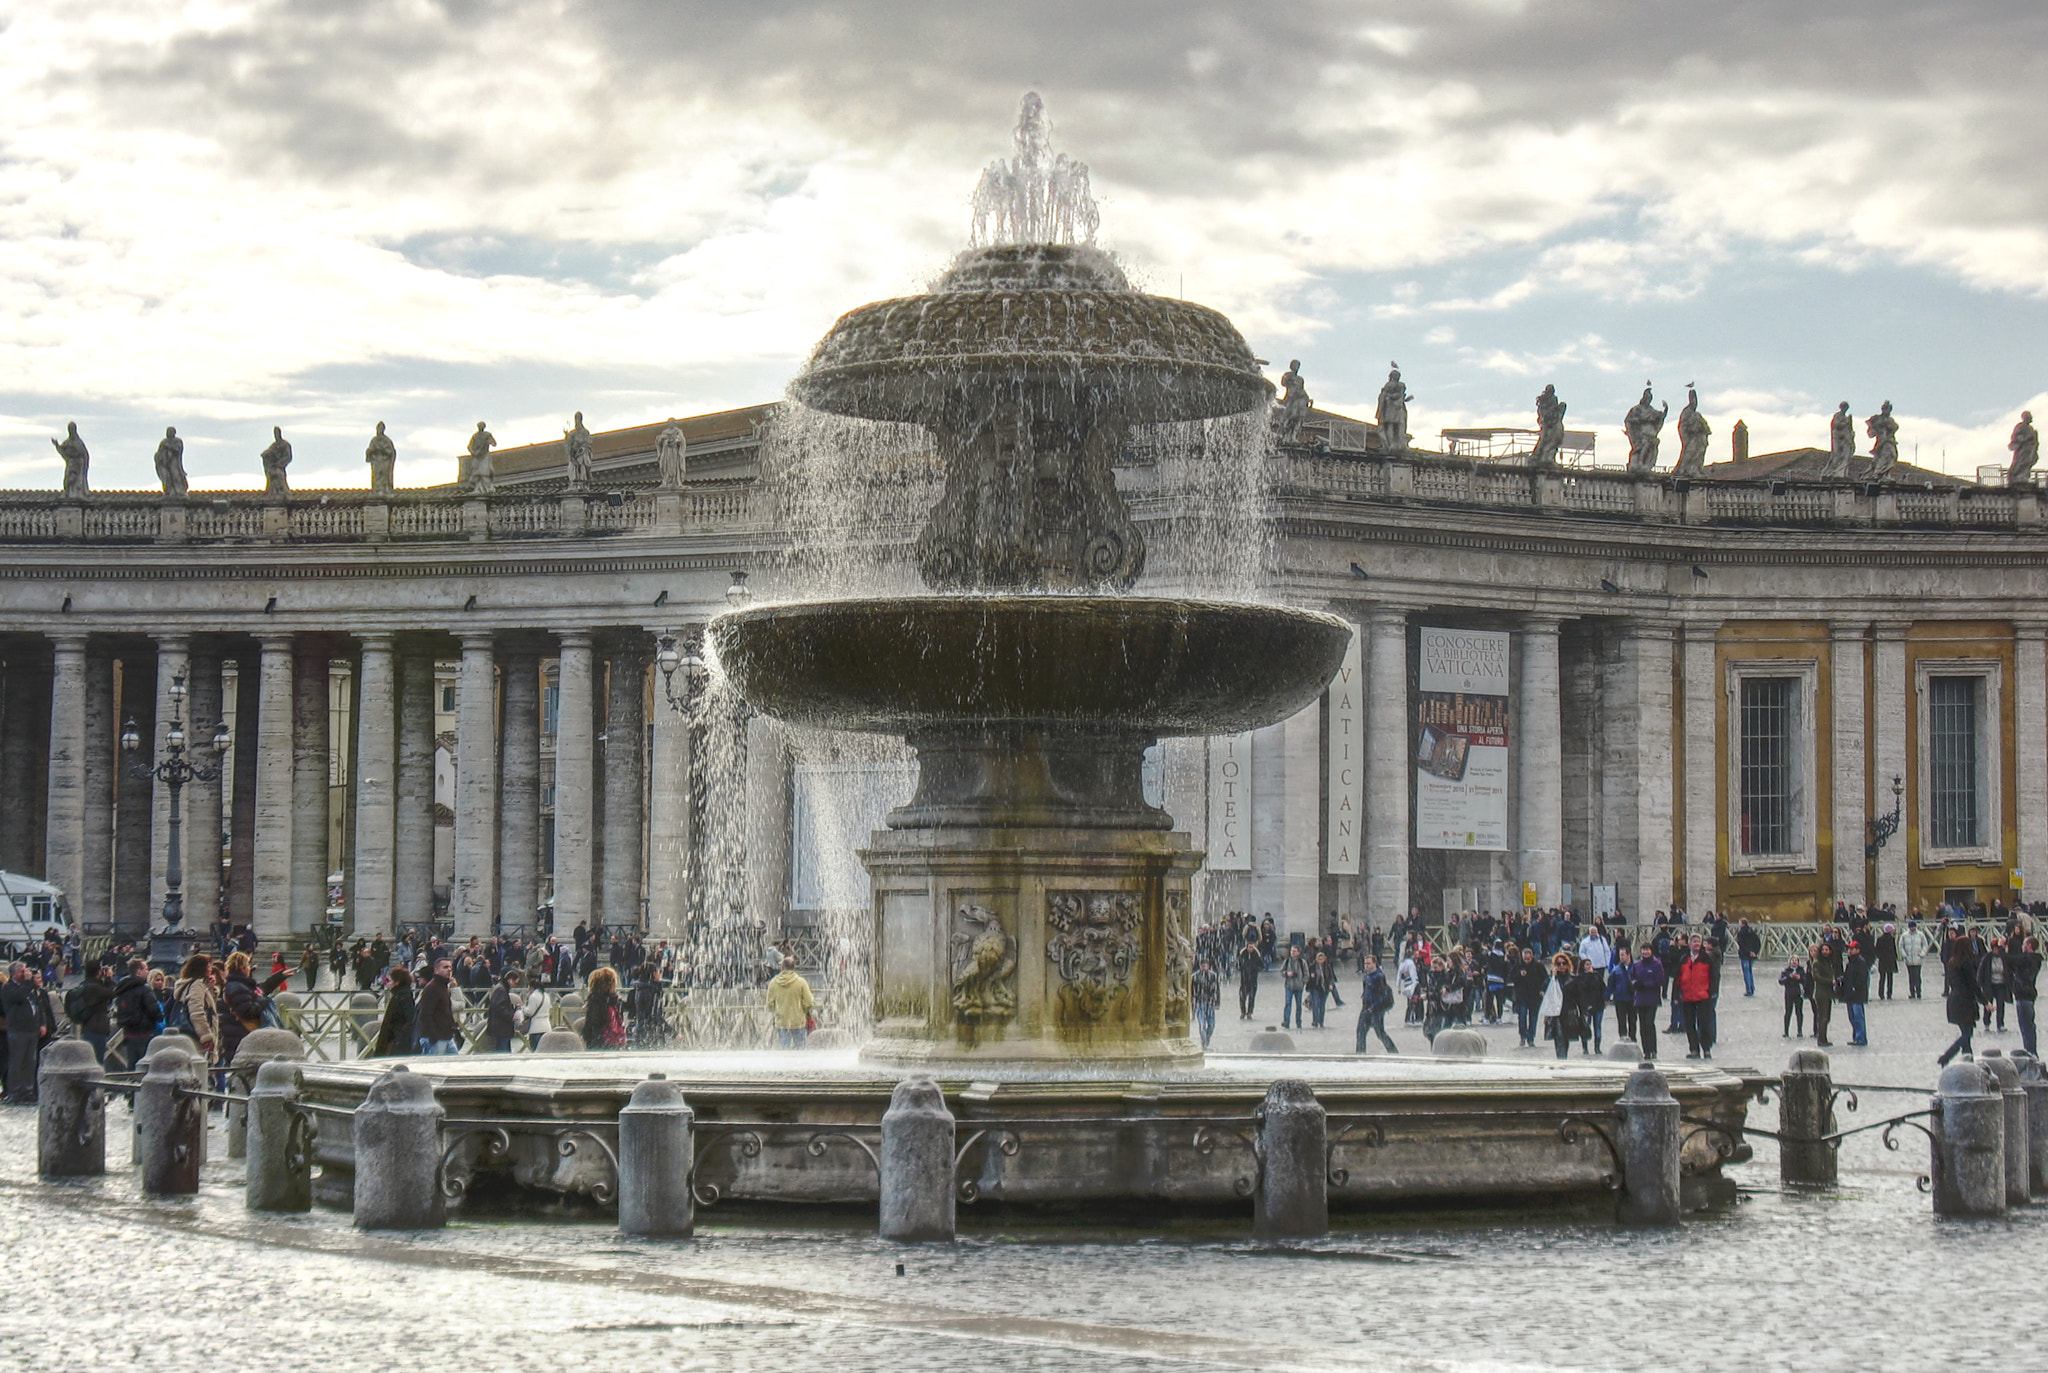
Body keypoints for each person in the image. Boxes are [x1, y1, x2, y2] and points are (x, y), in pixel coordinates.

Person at [111, 957, 161, 1070]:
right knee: (145, 1064)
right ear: (139, 971)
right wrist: (157, 1018)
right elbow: (153, 1010)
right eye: (146, 969)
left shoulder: (122, 988)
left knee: (131, 1063)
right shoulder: (144, 989)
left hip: (128, 1031)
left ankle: (131, 1085)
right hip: (144, 1032)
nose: (147, 972)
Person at [171, 953, 221, 1067]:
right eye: (208, 966)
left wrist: (210, 986)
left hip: (191, 1035)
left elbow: (209, 1004)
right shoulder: (197, 985)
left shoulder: (195, 984)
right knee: (199, 1069)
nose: (210, 969)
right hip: (196, 1037)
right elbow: (196, 1012)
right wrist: (206, 1036)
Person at [1938, 945, 1983, 1066]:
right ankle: (1946, 1056)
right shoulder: (1966, 964)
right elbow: (1973, 984)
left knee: (1966, 1035)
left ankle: (1968, 1060)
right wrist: (1984, 1001)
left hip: (1954, 1001)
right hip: (1965, 1002)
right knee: (1967, 1034)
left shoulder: (1952, 963)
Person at [1, 963, 40, 1102]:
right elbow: (19, 997)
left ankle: (27, 1091)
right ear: (15, 974)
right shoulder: (8, 988)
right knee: (17, 1062)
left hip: (30, 1029)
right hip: (17, 1030)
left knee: (30, 1062)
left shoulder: (28, 987)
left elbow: (36, 1004)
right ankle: (15, 1092)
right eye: (23, 971)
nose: (26, 974)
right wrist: (29, 982)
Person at [64, 959, 116, 1065]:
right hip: (96, 1029)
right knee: (97, 1062)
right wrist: (109, 978)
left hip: (88, 1027)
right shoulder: (94, 988)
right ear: (98, 972)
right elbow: (112, 992)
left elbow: (105, 997)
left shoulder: (87, 986)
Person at [1675, 935, 1717, 1059]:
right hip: (1687, 997)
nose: (1696, 944)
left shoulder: (1707, 959)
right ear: (1689, 944)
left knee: (1704, 1024)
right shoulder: (1684, 959)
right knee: (1689, 1025)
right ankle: (1694, 1049)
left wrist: (1711, 992)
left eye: (1698, 942)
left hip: (1703, 996)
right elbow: (1677, 977)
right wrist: (1676, 995)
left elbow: (1714, 977)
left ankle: (1706, 1048)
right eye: (1694, 942)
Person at [763, 957, 812, 1049]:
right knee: (800, 1050)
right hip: (798, 1021)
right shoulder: (801, 982)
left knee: (785, 1051)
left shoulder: (773, 983)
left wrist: (778, 1010)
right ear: (794, 968)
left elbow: (769, 1004)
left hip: (782, 1021)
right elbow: (809, 1002)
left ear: (782, 967)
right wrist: (803, 1010)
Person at [415, 958, 460, 1055]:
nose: (449, 970)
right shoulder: (432, 988)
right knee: (433, 1067)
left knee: (454, 1065)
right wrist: (433, 1035)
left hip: (446, 1036)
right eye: (445, 967)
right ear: (436, 970)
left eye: (450, 968)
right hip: (436, 1038)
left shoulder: (443, 987)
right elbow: (425, 1014)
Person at [1355, 955, 1398, 1054]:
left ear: (1375, 964)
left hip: (1376, 1009)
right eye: (1365, 963)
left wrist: (1374, 1006)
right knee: (1360, 1031)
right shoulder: (1366, 976)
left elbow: (1382, 994)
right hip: (1366, 1007)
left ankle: (1393, 1051)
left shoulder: (1379, 976)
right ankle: (1360, 1052)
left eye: (1369, 963)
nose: (1366, 966)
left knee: (1380, 1032)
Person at [1630, 944, 1666, 1060]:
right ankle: (1646, 1050)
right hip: (1640, 998)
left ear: (1651, 951)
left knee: (1649, 1023)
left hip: (1652, 998)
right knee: (1642, 1025)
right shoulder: (1637, 964)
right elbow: (1631, 977)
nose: (1645, 952)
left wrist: (1646, 984)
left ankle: (1653, 1049)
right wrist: (1635, 983)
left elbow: (1660, 980)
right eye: (1643, 950)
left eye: (1647, 950)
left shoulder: (1657, 964)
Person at [370, 967, 417, 1056]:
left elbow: (409, 1019)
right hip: (395, 1039)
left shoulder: (403, 996)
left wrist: (398, 1038)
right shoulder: (399, 995)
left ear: (397, 982)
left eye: (390, 981)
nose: (388, 983)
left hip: (397, 1041)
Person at [1539, 953, 1577, 1059]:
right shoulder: (1551, 979)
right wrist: (1553, 977)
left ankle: (1563, 1057)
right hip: (1555, 1012)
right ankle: (1561, 1058)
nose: (1561, 966)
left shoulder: (1573, 979)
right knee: (1558, 1037)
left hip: (1568, 1011)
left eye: (1563, 963)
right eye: (1558, 964)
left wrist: (1584, 1012)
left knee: (1566, 1038)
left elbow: (1579, 996)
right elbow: (1544, 990)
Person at [1510, 945, 1546, 1048]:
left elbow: (1545, 979)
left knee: (1533, 1018)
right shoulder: (1518, 965)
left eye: (1528, 959)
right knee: (1521, 1016)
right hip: (1521, 996)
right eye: (1525, 958)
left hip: (1534, 995)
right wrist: (1519, 974)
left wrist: (1542, 989)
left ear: (1532, 956)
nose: (1526, 960)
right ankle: (1522, 1036)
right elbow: (1511, 977)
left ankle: (1531, 1038)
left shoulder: (1538, 965)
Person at [1839, 939, 1871, 1047]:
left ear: (1858, 950)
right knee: (1852, 1017)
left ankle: (1860, 1038)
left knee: (1858, 1017)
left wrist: (1855, 987)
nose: (1850, 951)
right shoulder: (1850, 963)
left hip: (1857, 994)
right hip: (1850, 994)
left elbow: (1862, 978)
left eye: (1852, 949)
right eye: (1849, 949)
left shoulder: (1861, 962)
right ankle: (1856, 1037)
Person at [2013, 936, 2042, 1057]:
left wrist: (2002, 948)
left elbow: (2011, 960)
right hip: (2027, 995)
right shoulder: (2034, 959)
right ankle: (2031, 1052)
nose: (2022, 946)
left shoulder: (2029, 959)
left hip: (2024, 995)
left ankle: (2031, 1053)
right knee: (2027, 1026)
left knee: (2026, 1027)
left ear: (2029, 945)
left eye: (2024, 944)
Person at [1809, 939, 1841, 1048]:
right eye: (1823, 950)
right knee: (1823, 1017)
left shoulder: (1829, 962)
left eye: (1827, 950)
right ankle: (1821, 1039)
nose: (1825, 952)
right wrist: (1830, 981)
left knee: (1827, 1017)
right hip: (1821, 993)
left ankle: (1824, 1037)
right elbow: (1816, 977)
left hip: (1828, 993)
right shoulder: (1817, 962)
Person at [1980, 937, 2013, 1031]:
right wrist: (1981, 984)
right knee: (1988, 1004)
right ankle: (1986, 1023)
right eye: (1995, 948)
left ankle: (2000, 1024)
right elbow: (1981, 971)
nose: (1996, 950)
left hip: (2001, 984)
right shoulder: (1987, 958)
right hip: (1989, 985)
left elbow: (2009, 970)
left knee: (2001, 1004)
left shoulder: (2004, 958)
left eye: (1998, 948)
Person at [484, 971, 522, 1052]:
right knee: (503, 1051)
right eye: (515, 983)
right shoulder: (501, 989)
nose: (515, 985)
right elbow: (499, 1007)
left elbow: (501, 1005)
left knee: (503, 1050)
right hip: (502, 1027)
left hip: (500, 1026)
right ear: (510, 980)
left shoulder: (500, 987)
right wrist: (510, 1016)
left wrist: (513, 1007)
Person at [1607, 946, 1636, 1044]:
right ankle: (1623, 1038)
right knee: (1621, 1020)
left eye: (1623, 955)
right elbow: (1610, 984)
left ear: (1628, 955)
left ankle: (1633, 1038)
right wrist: (1607, 996)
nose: (1621, 957)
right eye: (1620, 955)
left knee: (1632, 1020)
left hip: (1632, 998)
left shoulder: (1635, 967)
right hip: (1620, 998)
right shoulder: (1616, 970)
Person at [1191, 958, 1220, 1049]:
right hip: (1200, 1003)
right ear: (1200, 966)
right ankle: (1204, 1043)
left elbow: (1217, 990)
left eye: (1206, 966)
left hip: (1210, 1003)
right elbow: (1192, 992)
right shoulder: (1195, 977)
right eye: (1203, 966)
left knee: (1211, 1025)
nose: (1204, 968)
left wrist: (1217, 1002)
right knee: (1202, 1025)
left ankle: (1206, 1039)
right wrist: (1193, 1005)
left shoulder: (1213, 976)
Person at [516, 976, 551, 1051]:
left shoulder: (534, 996)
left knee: (535, 1050)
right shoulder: (546, 995)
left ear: (531, 987)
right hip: (547, 1026)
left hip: (536, 1027)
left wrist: (522, 1008)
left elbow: (529, 1012)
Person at [1901, 918, 1932, 999]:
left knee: (1917, 976)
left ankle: (1918, 991)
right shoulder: (1904, 935)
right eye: (1911, 927)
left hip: (1918, 959)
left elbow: (1925, 945)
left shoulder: (1920, 935)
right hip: (1909, 960)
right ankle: (1912, 992)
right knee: (1911, 977)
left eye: (1913, 927)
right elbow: (1901, 946)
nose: (1912, 928)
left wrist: (1922, 954)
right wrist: (1904, 955)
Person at [1780, 956, 1811, 1037]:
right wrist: (1789, 977)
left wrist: (1799, 978)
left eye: (1796, 960)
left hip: (1798, 993)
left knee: (1799, 1012)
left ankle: (1799, 1030)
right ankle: (1786, 1031)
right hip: (1789, 994)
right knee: (1788, 1012)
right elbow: (1781, 981)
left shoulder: (1801, 970)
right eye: (1792, 960)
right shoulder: (1786, 971)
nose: (1794, 962)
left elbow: (1805, 980)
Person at [1279, 943, 1308, 1031]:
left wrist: (1303, 982)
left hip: (1299, 986)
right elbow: (1281, 971)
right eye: (1292, 951)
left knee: (1298, 1005)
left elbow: (1306, 974)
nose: (1292, 953)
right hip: (1289, 986)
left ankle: (1298, 1021)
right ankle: (1286, 1021)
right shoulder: (1287, 961)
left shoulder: (1302, 962)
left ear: (1299, 952)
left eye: (1294, 951)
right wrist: (1287, 974)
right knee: (1288, 1004)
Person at [1305, 950, 1335, 1030]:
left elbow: (1331, 977)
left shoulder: (1327, 967)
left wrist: (1331, 985)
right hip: (1315, 987)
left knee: (1322, 1005)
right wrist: (1311, 977)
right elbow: (1308, 977)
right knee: (1316, 1004)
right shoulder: (1312, 966)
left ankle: (1321, 1021)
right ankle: (1315, 1021)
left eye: (1322, 959)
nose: (1320, 961)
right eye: (1319, 959)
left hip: (1324, 988)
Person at [1236, 936, 1262, 1020]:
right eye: (1249, 947)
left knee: (1252, 997)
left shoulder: (1256, 954)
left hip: (1253, 980)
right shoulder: (1243, 954)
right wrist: (1242, 969)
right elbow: (1238, 964)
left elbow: (1261, 965)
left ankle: (1250, 1012)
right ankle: (1243, 1011)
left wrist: (1255, 969)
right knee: (1242, 997)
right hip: (1244, 979)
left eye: (1252, 947)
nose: (1250, 949)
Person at [1735, 919, 1762, 996]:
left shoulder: (1741, 933)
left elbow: (1742, 945)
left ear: (1742, 924)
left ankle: (1749, 989)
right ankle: (1752, 988)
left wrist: (1748, 952)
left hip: (1745, 954)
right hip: (1752, 954)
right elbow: (1758, 942)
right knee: (1750, 971)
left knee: (1746, 972)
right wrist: (1755, 952)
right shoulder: (1752, 932)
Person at [1874, 923, 1899, 1000]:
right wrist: (1895, 958)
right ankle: (1889, 993)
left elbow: (1876, 950)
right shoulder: (1891, 939)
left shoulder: (1879, 939)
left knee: (1882, 978)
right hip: (1890, 960)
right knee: (1890, 978)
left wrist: (1879, 956)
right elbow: (1894, 950)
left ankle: (1881, 994)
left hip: (1882, 960)